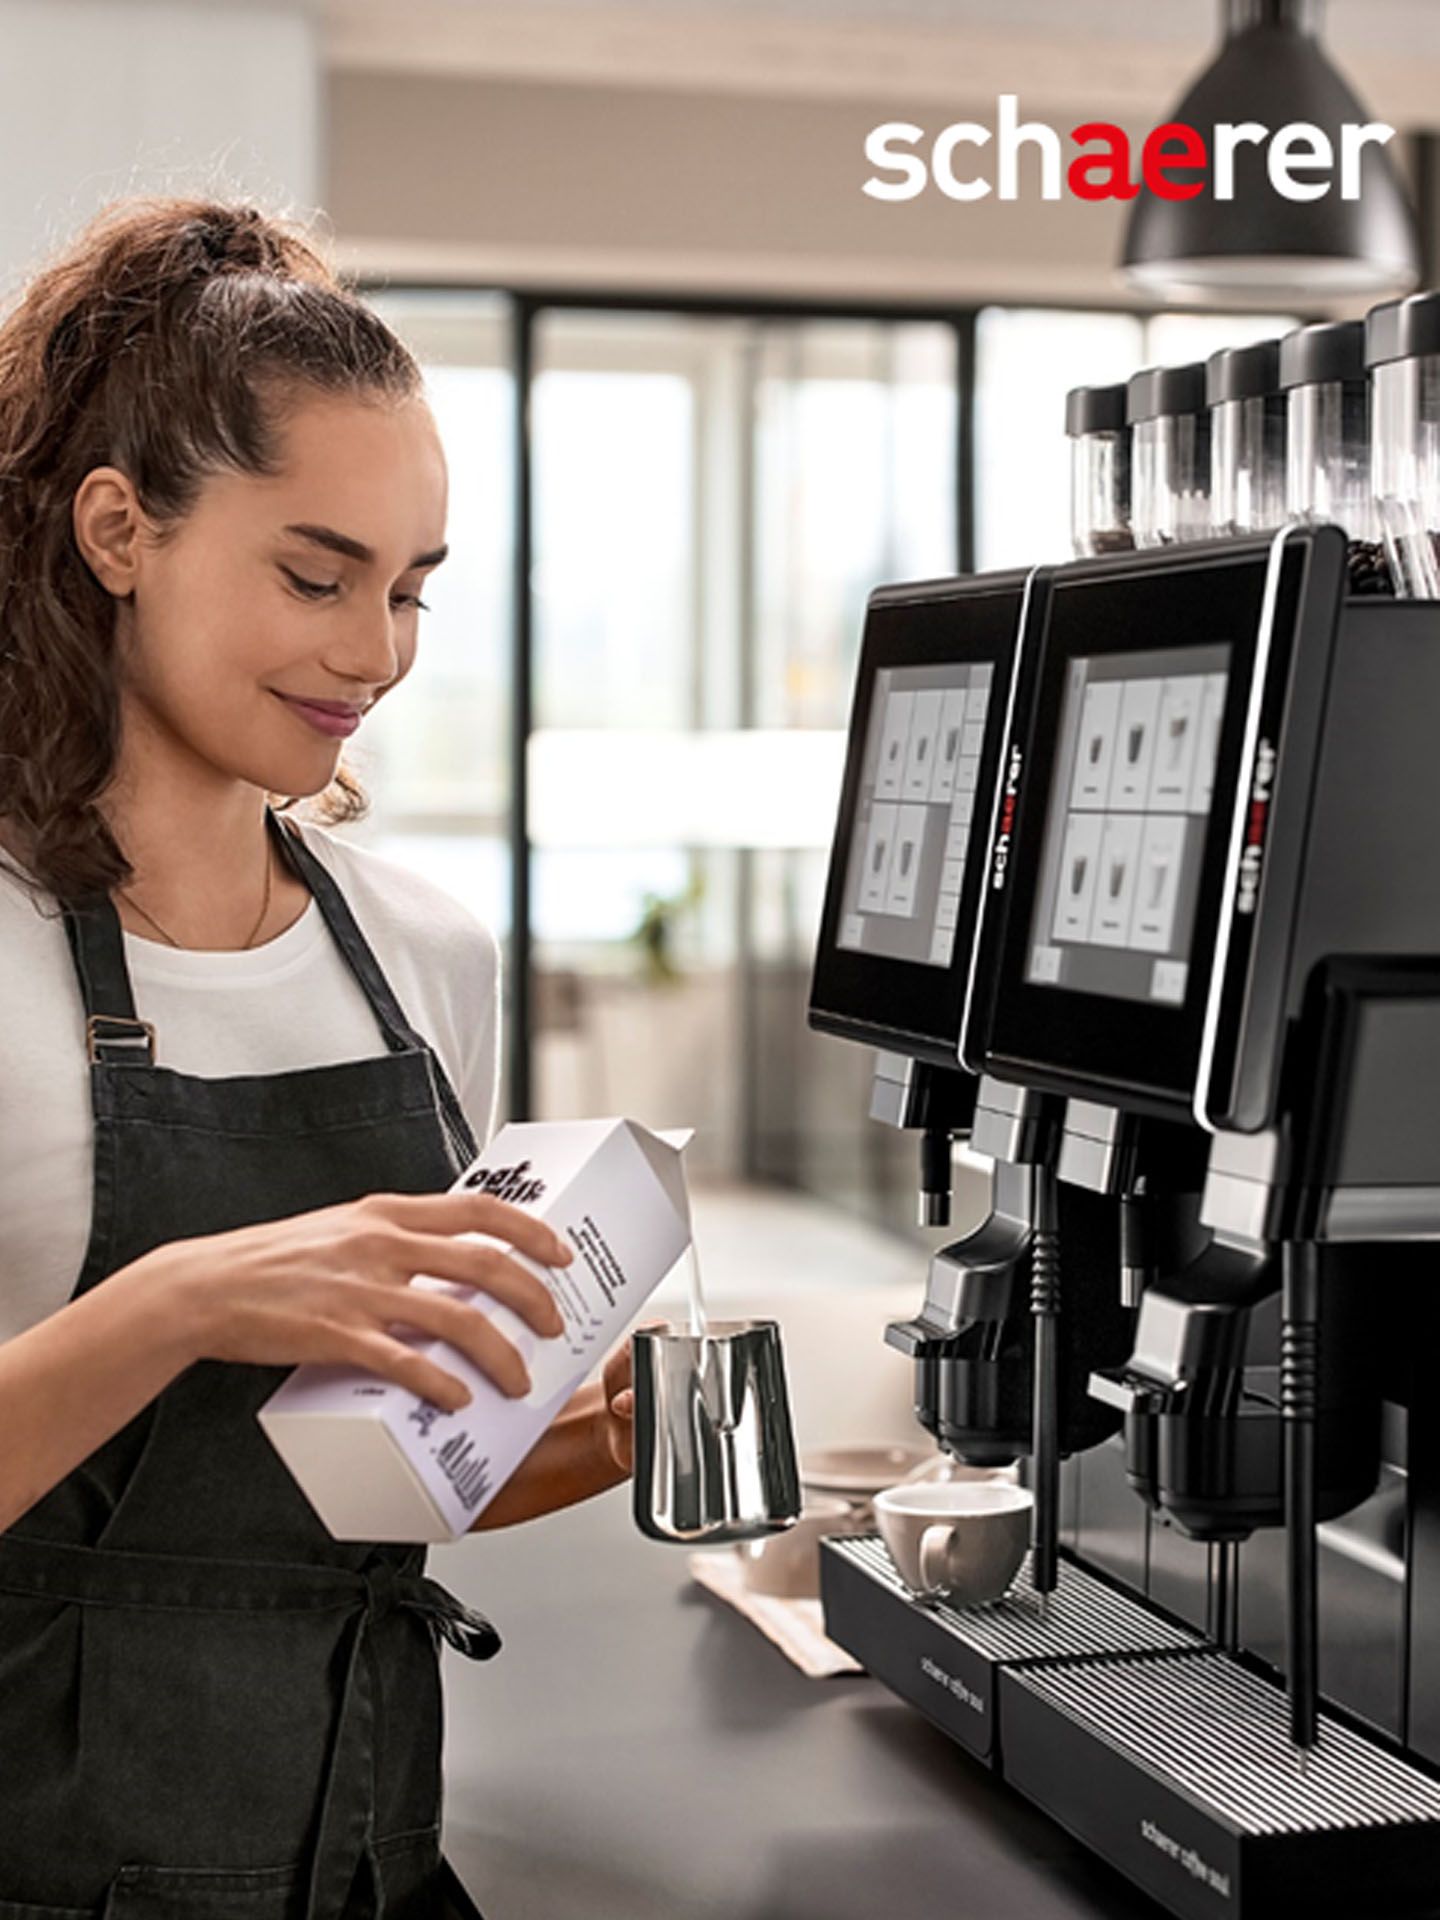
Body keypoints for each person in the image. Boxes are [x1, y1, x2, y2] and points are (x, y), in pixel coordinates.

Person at [0, 197, 637, 1919]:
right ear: (118, 530)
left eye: (412, 591)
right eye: (314, 574)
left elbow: (352, 1492)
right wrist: (185, 1298)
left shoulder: (422, 954)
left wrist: (612, 1428)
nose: (374, 655)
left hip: (368, 1868)